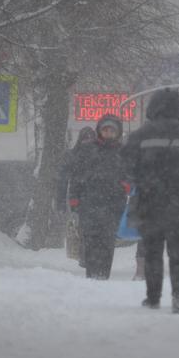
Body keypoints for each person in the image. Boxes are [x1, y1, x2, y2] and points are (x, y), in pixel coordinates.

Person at [121, 89, 179, 313]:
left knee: (152, 252)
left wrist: (143, 182)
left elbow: (126, 170)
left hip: (151, 203)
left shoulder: (140, 136)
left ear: (153, 108)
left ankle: (153, 297)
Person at [68, 115, 127, 279]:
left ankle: (103, 275)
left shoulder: (123, 152)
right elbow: (76, 177)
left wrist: (126, 185)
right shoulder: (87, 150)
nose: (108, 133)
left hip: (113, 206)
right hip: (89, 205)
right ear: (100, 131)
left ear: (118, 132)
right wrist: (74, 201)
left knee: (107, 242)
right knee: (91, 241)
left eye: (112, 130)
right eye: (105, 129)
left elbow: (131, 175)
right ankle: (92, 275)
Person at [56, 126, 97, 267]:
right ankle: (88, 257)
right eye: (86, 138)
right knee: (87, 228)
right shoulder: (96, 154)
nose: (88, 141)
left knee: (85, 229)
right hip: (85, 199)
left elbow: (62, 181)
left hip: (82, 199)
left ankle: (86, 257)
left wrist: (60, 203)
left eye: (90, 138)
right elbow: (63, 180)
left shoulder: (73, 155)